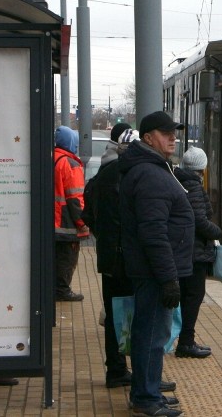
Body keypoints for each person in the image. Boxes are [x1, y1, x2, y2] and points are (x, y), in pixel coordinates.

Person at [118, 111, 194, 417]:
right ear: (148, 138)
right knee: (152, 335)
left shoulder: (153, 168)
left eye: (174, 133)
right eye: (166, 133)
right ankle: (147, 398)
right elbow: (153, 233)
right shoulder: (150, 174)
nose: (173, 138)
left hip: (154, 269)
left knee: (152, 333)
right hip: (154, 271)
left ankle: (147, 392)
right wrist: (168, 278)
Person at [93, 128, 137, 388]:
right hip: (126, 259)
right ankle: (126, 371)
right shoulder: (128, 176)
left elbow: (90, 211)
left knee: (114, 314)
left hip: (109, 257)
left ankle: (116, 368)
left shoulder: (104, 174)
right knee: (130, 315)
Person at [174, 147, 221, 359]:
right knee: (193, 296)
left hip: (185, 249)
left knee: (186, 295)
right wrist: (218, 232)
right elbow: (199, 220)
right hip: (194, 251)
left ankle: (185, 339)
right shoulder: (193, 186)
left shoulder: (179, 179)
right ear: (202, 167)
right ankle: (186, 342)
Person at [54, 125, 90, 302]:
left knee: (55, 256)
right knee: (67, 257)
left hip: (52, 220)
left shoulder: (52, 158)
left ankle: (54, 287)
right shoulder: (71, 164)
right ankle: (62, 290)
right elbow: (75, 198)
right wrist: (82, 222)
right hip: (66, 222)